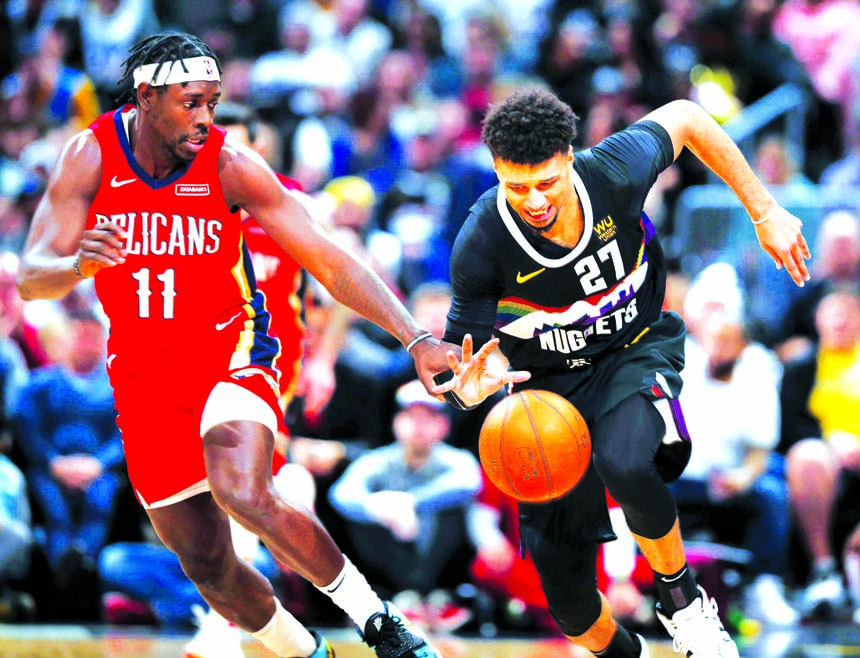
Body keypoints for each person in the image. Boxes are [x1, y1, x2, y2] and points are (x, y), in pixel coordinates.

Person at [15, 31, 443, 658]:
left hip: (231, 347)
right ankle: (308, 653)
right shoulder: (91, 154)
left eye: (213, 102)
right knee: (207, 565)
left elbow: (329, 260)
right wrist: (76, 264)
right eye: (191, 103)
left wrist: (417, 336)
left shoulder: (228, 164)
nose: (205, 117)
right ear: (146, 96)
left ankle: (382, 626)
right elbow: (31, 275)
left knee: (244, 490)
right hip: (140, 373)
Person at [425, 88, 811, 658]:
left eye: (546, 182)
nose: (533, 199)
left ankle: (685, 607)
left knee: (625, 459)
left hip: (633, 350)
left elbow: (686, 116)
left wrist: (764, 209)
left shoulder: (613, 172)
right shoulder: (480, 244)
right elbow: (466, 364)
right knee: (572, 607)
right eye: (516, 185)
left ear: (569, 157)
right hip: (548, 395)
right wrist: (469, 391)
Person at [328, 379, 482, 633]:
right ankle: (399, 597)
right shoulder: (378, 460)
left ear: (443, 425)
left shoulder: (457, 460)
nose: (418, 426)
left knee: (457, 505)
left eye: (428, 418)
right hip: (390, 562)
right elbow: (341, 494)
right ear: (396, 422)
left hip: (442, 563)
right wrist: (376, 507)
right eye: (411, 417)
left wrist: (412, 502)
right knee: (365, 509)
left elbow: (469, 481)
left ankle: (438, 598)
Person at [10, 307, 125, 594]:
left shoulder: (119, 388)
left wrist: (99, 464)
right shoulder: (40, 385)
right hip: (50, 469)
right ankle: (59, 566)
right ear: (66, 339)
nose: (88, 344)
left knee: (101, 501)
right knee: (54, 509)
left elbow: (126, 435)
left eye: (94, 338)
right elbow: (27, 428)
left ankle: (85, 562)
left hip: (100, 471)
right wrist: (52, 462)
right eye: (81, 337)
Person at [782, 290, 860, 620]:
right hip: (827, 458)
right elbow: (790, 427)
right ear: (817, 321)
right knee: (807, 455)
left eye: (847, 313)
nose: (840, 321)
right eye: (832, 314)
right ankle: (824, 570)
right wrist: (832, 443)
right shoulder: (802, 367)